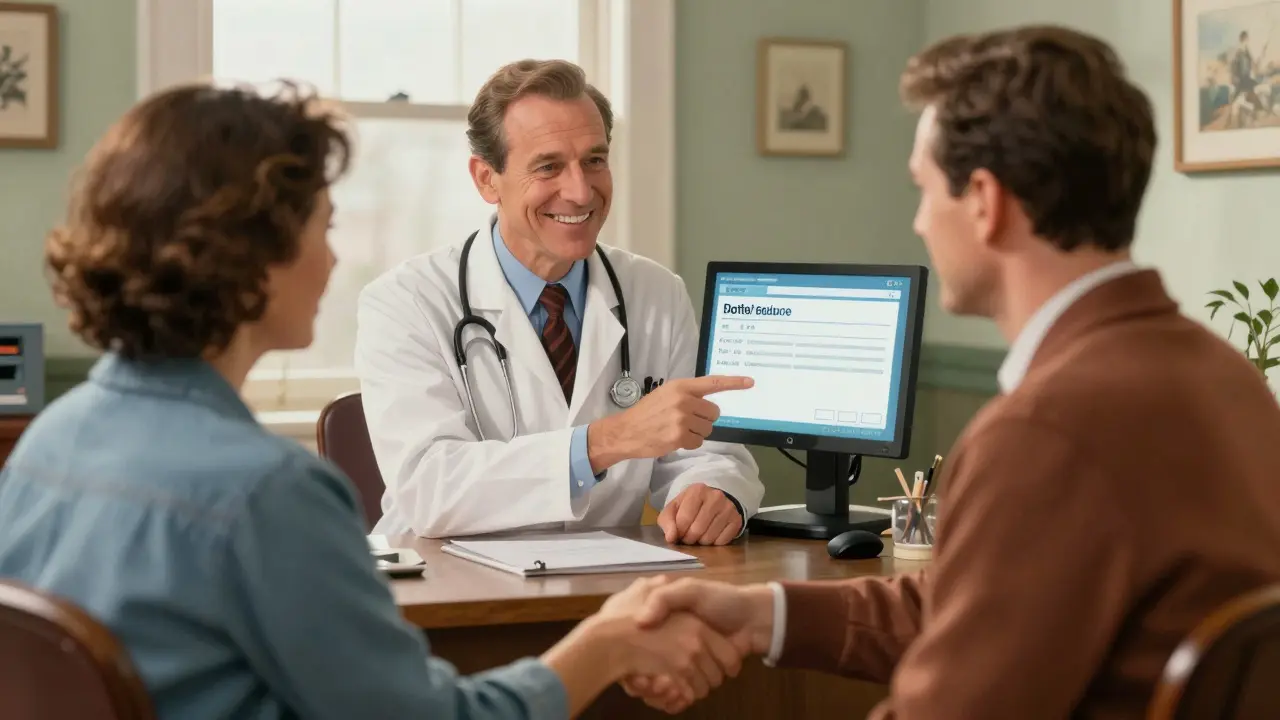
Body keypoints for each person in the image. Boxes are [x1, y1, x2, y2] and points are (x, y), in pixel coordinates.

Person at [0, 82, 748, 719]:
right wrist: (608, 641)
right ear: (249, 260)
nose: (332, 256)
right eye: (323, 227)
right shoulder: (272, 494)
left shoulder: (46, 444)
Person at [620, 25, 1280, 718]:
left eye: (925, 189)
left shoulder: (1046, 433)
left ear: (986, 203)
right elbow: (984, 608)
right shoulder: (1226, 379)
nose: (919, 221)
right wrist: (760, 615)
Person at [354, 59, 764, 542]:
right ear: (487, 179)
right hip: (448, 591)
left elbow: (706, 451)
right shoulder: (406, 302)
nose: (580, 190)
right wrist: (609, 440)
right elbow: (429, 489)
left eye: (594, 160)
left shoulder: (654, 292)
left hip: (607, 586)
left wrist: (714, 492)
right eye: (548, 166)